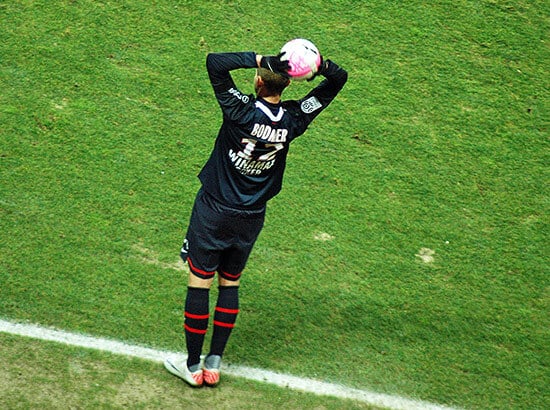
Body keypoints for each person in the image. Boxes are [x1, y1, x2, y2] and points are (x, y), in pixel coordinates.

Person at [164, 47, 347, 387]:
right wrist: (317, 66)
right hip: (251, 216)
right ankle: (214, 363)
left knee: (199, 280)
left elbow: (214, 62)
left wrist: (261, 59)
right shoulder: (295, 119)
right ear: (289, 84)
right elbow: (338, 79)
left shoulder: (239, 110)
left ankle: (191, 366)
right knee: (230, 281)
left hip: (214, 210)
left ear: (259, 82)